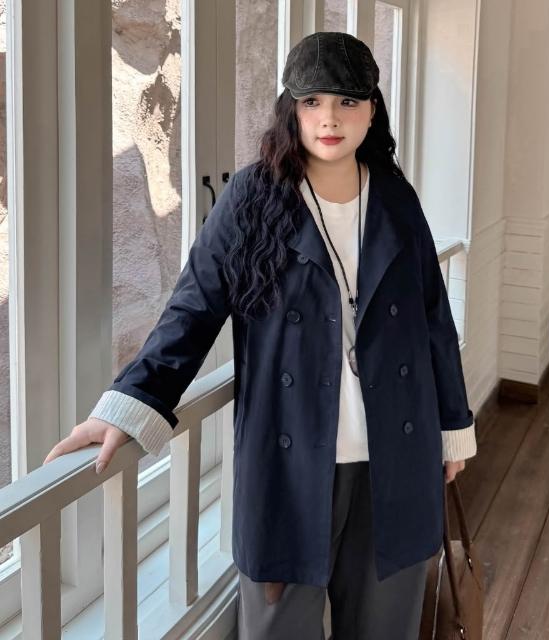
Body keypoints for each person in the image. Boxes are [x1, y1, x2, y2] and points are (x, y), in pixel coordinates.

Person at [44, 31, 477, 639]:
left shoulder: (396, 198)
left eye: (347, 102)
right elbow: (192, 309)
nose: (329, 119)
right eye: (312, 101)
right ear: (290, 108)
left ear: (372, 109)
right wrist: (131, 401)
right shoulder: (253, 197)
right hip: (289, 460)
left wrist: (453, 428)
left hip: (396, 454)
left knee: (386, 627)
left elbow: (433, 319)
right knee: (279, 627)